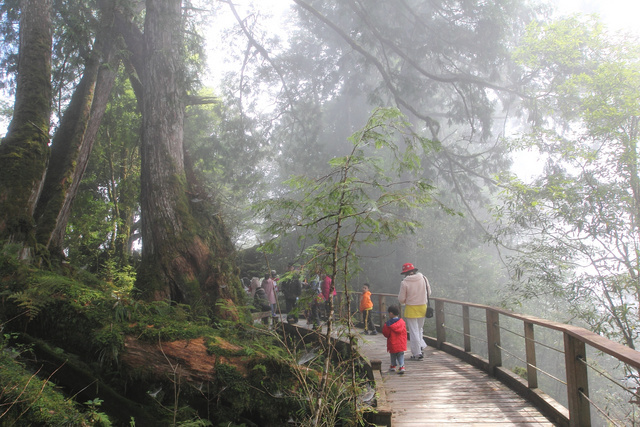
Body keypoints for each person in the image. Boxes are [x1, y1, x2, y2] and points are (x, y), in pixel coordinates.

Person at [397, 262, 431, 360]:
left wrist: (406, 300)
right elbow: (429, 292)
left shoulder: (405, 282)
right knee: (419, 329)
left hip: (411, 308)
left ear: (405, 273)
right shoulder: (423, 278)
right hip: (423, 307)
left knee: (413, 331)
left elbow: (401, 299)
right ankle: (420, 347)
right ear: (414, 271)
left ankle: (417, 353)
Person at [382, 305, 407, 374]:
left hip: (392, 343)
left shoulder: (388, 324)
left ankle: (393, 366)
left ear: (391, 313)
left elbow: (386, 334)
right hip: (401, 343)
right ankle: (402, 366)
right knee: (400, 355)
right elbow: (404, 333)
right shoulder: (402, 322)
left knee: (393, 354)